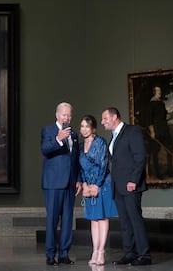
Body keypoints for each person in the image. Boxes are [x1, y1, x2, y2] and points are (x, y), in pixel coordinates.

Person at [101, 107, 152, 266]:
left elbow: (139, 157)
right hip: (118, 187)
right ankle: (130, 253)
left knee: (135, 220)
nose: (103, 122)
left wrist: (133, 181)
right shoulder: (114, 137)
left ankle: (145, 255)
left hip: (131, 185)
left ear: (114, 117)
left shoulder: (132, 131)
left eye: (105, 119)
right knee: (125, 223)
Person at [40, 102, 82, 266]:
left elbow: (76, 159)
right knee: (52, 220)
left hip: (70, 183)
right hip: (53, 183)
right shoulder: (48, 130)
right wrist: (58, 139)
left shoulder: (74, 135)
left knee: (67, 220)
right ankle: (50, 254)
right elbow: (45, 149)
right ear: (57, 115)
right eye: (64, 115)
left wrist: (78, 179)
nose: (67, 118)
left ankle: (64, 254)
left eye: (69, 115)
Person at [78, 115, 117, 265]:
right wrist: (85, 185)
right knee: (93, 219)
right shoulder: (80, 146)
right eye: (82, 126)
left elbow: (103, 164)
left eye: (87, 126)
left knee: (102, 218)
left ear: (93, 128)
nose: (84, 129)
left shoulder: (100, 142)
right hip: (88, 186)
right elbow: (80, 168)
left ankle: (101, 251)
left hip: (102, 184)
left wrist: (96, 185)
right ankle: (95, 250)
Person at [146, 86, 173, 179]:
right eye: (158, 91)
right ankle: (158, 174)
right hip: (157, 131)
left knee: (170, 148)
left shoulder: (161, 103)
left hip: (164, 130)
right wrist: (152, 132)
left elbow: (164, 115)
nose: (160, 92)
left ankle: (170, 171)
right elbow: (149, 120)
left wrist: (168, 116)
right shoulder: (151, 104)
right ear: (154, 92)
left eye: (160, 90)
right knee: (155, 151)